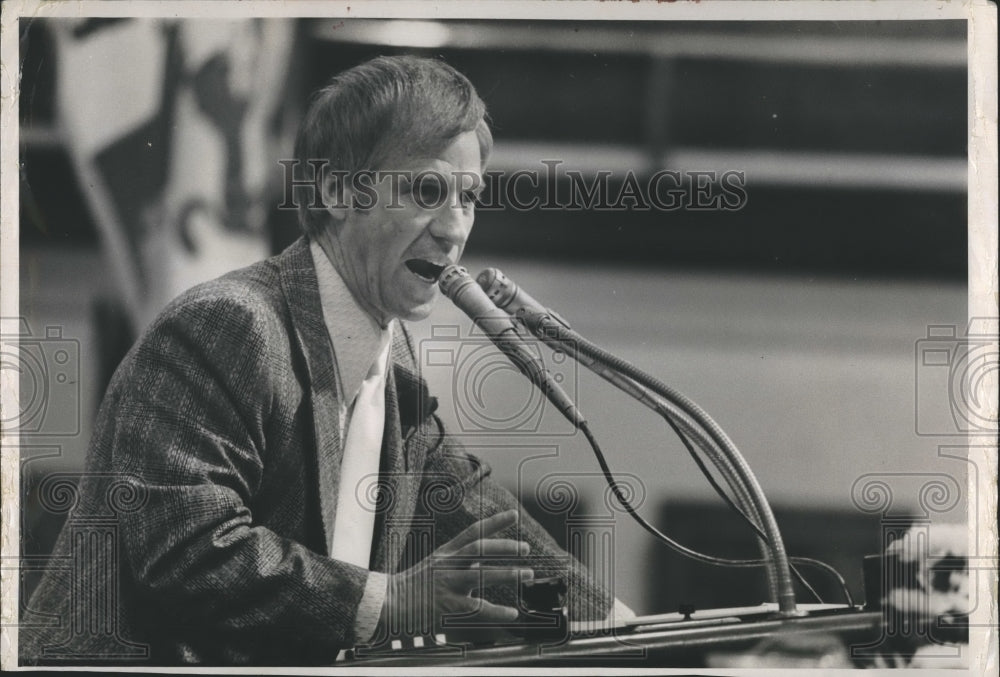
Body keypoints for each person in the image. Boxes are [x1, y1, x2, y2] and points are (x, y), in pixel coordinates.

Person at [21, 56, 620, 666]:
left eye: (468, 198)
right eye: (428, 191)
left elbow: (477, 510)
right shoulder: (229, 325)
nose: (453, 229)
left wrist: (620, 626)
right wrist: (391, 603)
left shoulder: (391, 363)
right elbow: (187, 550)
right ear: (336, 190)